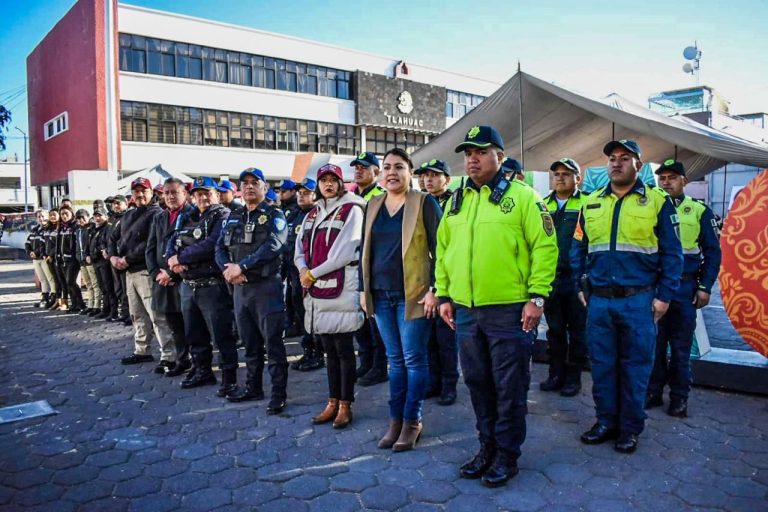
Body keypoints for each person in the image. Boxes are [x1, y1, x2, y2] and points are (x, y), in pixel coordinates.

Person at [437, 125, 558, 486]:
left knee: (509, 386)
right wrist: (444, 294)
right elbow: (443, 251)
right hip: (466, 310)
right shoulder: (456, 200)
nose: (472, 159)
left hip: (509, 311)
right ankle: (486, 447)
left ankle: (507, 455)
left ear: (500, 157)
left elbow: (546, 247)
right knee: (477, 383)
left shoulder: (524, 197)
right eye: (467, 153)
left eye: (480, 151)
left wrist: (537, 297)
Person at [571, 139, 683, 454]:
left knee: (635, 367)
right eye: (612, 158)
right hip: (600, 301)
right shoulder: (590, 202)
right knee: (602, 365)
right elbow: (577, 247)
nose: (616, 163)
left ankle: (630, 429)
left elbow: (673, 254)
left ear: (638, 164)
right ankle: (606, 422)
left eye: (624, 158)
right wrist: (582, 284)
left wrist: (664, 296)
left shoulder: (658, 202)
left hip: (639, 300)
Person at [360, 148, 442, 451]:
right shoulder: (373, 205)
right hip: (380, 295)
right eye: (387, 167)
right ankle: (394, 421)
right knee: (394, 362)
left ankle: (412, 422)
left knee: (413, 359)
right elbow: (363, 252)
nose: (391, 172)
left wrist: (436, 288)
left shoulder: (424, 203)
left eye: (399, 167)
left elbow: (441, 249)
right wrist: (361, 290)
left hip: (415, 295)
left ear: (410, 172)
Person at [647, 159, 721, 417]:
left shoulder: (699, 210)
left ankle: (679, 397)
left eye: (672, 177)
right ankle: (653, 391)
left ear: (684, 182)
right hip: (655, 286)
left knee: (680, 347)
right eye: (662, 178)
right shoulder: (649, 208)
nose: (666, 182)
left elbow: (713, 252)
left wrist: (704, 286)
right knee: (653, 345)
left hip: (684, 287)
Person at [295, 165, 365, 428]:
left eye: (332, 180)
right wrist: (303, 269)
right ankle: (332, 400)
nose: (327, 184)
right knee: (328, 349)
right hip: (316, 289)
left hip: (341, 287)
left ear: (340, 182)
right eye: (323, 180)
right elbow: (299, 247)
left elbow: (345, 252)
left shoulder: (353, 209)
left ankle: (346, 404)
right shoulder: (312, 213)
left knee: (344, 349)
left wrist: (311, 273)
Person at [216, 168, 289, 414]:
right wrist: (229, 270)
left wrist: (242, 266)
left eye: (254, 183)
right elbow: (219, 247)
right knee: (249, 344)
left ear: (264, 188)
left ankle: (278, 394)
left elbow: (274, 245)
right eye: (244, 183)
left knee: (273, 344)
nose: (249, 187)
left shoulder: (273, 214)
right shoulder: (233, 216)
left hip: (266, 288)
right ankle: (253, 387)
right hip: (240, 289)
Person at [167, 176, 239, 395]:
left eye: (207, 193)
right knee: (194, 333)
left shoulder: (223, 215)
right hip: (189, 284)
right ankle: (202, 371)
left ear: (216, 194)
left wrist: (181, 258)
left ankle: (229, 378)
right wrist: (172, 258)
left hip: (212, 285)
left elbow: (211, 245)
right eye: (198, 193)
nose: (203, 197)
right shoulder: (187, 215)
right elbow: (172, 239)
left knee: (221, 335)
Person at [110, 178, 176, 371]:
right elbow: (112, 238)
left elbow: (150, 244)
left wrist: (127, 259)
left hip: (146, 272)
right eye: (136, 192)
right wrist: (113, 257)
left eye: (143, 191)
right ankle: (142, 351)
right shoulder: (127, 215)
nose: (139, 195)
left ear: (151, 193)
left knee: (157, 316)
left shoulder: (157, 214)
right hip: (129, 273)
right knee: (137, 315)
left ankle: (169, 355)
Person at [539, 158, 588, 396]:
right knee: (555, 329)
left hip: (576, 278)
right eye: (556, 173)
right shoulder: (543, 204)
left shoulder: (587, 202)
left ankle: (573, 378)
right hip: (551, 278)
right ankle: (555, 374)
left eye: (566, 174)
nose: (560, 177)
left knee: (578, 330)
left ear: (578, 178)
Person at [415, 159, 458, 405]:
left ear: (447, 179)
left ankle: (449, 384)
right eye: (425, 175)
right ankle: (434, 380)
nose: (428, 180)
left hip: (447, 279)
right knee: (428, 335)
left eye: (434, 175)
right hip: (424, 278)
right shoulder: (419, 203)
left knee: (445, 337)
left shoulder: (456, 202)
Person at [146, 178, 194, 377]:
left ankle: (197, 362)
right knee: (173, 325)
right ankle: (182, 360)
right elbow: (150, 248)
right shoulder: (159, 217)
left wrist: (171, 272)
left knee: (190, 324)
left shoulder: (192, 214)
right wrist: (157, 273)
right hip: (162, 281)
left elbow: (192, 248)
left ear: (185, 193)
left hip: (183, 279)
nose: (170, 196)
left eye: (175, 192)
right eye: (166, 193)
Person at [351, 151, 389, 386]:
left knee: (375, 322)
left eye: (364, 167)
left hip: (372, 265)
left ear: (376, 172)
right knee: (360, 322)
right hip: (352, 264)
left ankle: (379, 366)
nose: (358, 171)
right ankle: (365, 362)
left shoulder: (381, 197)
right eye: (356, 167)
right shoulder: (351, 196)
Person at [286, 178, 324, 371]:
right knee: (302, 317)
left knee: (314, 318)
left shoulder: (318, 215)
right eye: (299, 192)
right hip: (295, 276)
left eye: (306, 192)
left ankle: (318, 354)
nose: (301, 195)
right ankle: (308, 351)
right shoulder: (293, 215)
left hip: (312, 277)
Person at [58, 206, 87, 313]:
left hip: (73, 259)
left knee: (71, 281)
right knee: (67, 282)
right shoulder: (61, 227)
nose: (64, 216)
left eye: (66, 213)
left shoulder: (74, 226)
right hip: (63, 259)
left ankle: (80, 303)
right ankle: (74, 304)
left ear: (71, 214)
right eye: (62, 214)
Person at [26, 209, 56, 308]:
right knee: (42, 279)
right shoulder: (35, 229)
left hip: (44, 257)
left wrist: (38, 252)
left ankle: (54, 298)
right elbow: (28, 242)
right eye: (39, 216)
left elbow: (45, 244)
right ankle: (44, 298)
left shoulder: (49, 228)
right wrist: (30, 251)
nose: (41, 218)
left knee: (50, 278)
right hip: (35, 259)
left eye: (43, 216)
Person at [89, 208, 116, 320]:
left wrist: (103, 250)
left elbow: (107, 242)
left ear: (105, 216)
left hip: (104, 261)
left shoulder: (107, 228)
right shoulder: (94, 229)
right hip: (96, 261)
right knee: (102, 287)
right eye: (95, 216)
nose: (97, 218)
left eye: (100, 216)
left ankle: (113, 311)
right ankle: (106, 309)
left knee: (109, 287)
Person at [107, 195, 130, 323]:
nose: (116, 206)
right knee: (118, 288)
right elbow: (108, 238)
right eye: (114, 204)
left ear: (125, 204)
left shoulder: (127, 217)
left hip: (123, 257)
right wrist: (109, 253)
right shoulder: (112, 218)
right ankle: (123, 312)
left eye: (119, 203)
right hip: (112, 258)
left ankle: (128, 314)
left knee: (126, 288)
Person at [75, 209, 101, 316]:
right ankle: (90, 305)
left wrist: (89, 255)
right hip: (81, 260)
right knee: (88, 284)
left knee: (95, 284)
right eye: (79, 218)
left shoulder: (91, 228)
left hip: (90, 260)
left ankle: (97, 305)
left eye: (83, 217)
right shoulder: (78, 230)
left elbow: (92, 244)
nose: (81, 220)